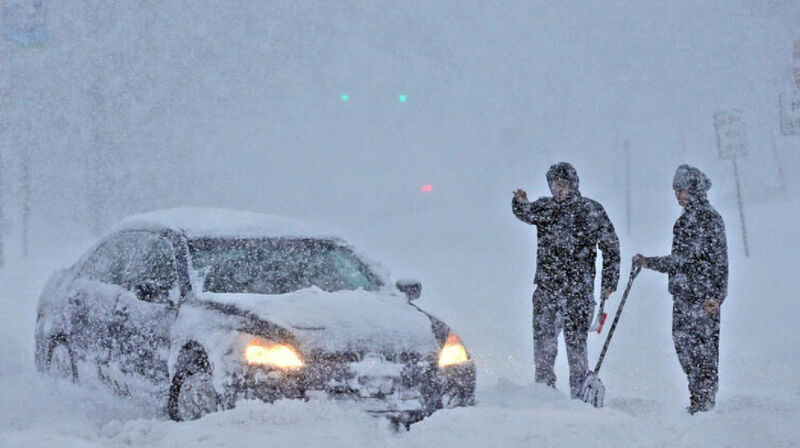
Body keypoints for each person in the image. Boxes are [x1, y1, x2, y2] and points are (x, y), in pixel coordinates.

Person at [512, 162, 620, 397]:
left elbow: (611, 246)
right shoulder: (545, 208)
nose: (558, 189)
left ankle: (578, 393)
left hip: (578, 291)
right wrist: (519, 202)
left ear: (573, 185)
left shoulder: (591, 210)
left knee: (576, 345)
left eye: (563, 184)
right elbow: (525, 212)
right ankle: (543, 390)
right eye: (554, 184)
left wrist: (610, 281)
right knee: (543, 344)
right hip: (547, 289)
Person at [633, 164, 728, 414]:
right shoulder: (684, 221)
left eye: (682, 190)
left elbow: (720, 263)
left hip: (703, 300)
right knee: (685, 350)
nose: (678, 195)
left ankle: (704, 403)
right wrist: (648, 261)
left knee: (704, 353)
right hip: (683, 297)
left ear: (695, 190)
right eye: (675, 190)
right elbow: (680, 261)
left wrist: (716, 297)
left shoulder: (710, 220)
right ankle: (697, 397)